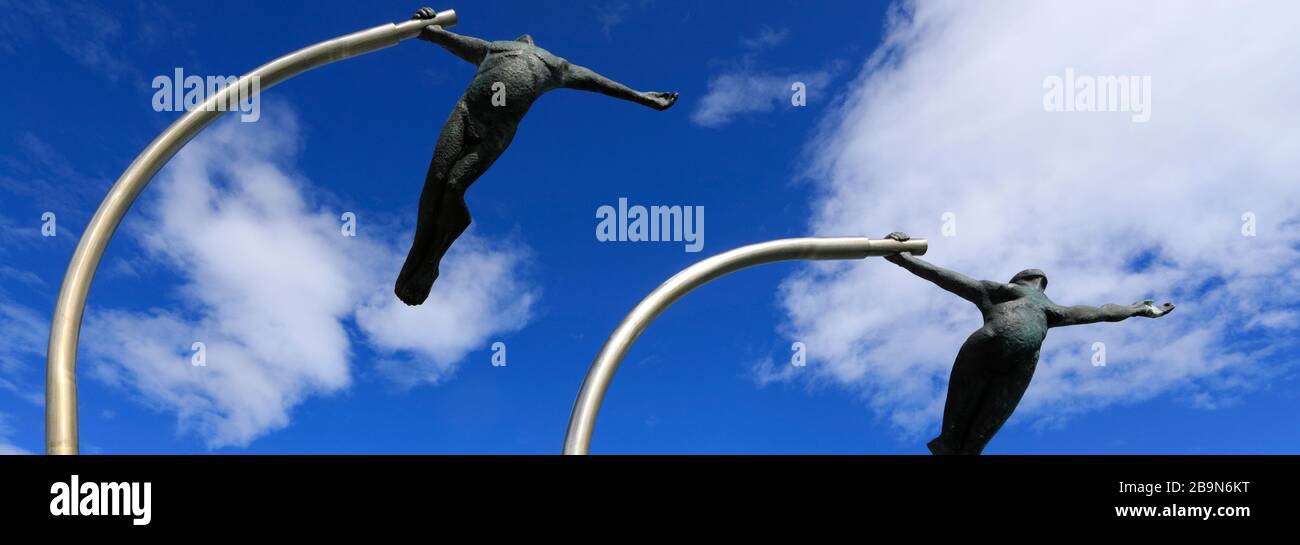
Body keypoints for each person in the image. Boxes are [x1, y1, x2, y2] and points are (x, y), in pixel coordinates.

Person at [396, 7, 679, 305]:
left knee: (454, 185)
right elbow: (444, 38)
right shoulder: (493, 48)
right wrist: (428, 23)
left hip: (497, 132)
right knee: (436, 180)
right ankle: (416, 263)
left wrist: (640, 96)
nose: (528, 36)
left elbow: (599, 82)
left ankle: (434, 257)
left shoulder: (556, 65)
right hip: (466, 114)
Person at [882, 232, 1175, 454]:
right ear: (1026, 280)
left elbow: (1102, 312)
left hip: (1022, 362)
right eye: (1037, 279)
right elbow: (945, 277)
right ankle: (948, 443)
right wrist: (902, 257)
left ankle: (960, 449)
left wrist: (1137, 309)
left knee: (981, 434)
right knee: (956, 425)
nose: (1040, 282)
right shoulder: (999, 291)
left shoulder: (1052, 310)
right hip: (989, 344)